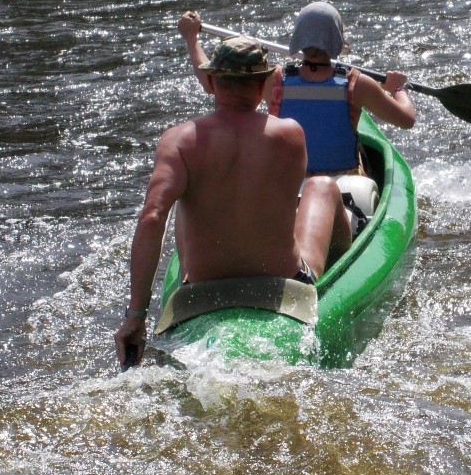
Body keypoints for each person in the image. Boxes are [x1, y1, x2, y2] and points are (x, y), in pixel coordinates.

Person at [113, 34, 352, 367]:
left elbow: (152, 217)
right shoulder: (290, 133)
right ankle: (346, 274)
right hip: (281, 279)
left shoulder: (178, 141)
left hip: (203, 284)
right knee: (322, 187)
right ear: (265, 83)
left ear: (211, 82)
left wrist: (136, 316)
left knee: (181, 197)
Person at [180, 3, 416, 177]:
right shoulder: (358, 84)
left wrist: (192, 38)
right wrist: (398, 88)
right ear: (338, 41)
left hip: (289, 181)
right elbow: (406, 120)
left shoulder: (274, 80)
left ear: (298, 39)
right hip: (343, 179)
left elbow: (210, 82)